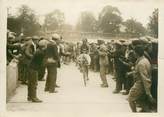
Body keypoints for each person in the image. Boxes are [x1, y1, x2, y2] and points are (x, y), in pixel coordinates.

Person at [128, 45, 154, 112]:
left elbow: (145, 78)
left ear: (136, 53)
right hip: (142, 85)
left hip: (140, 85)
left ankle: (134, 113)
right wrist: (132, 73)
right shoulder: (145, 60)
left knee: (130, 99)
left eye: (134, 52)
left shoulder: (141, 63)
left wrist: (148, 93)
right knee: (141, 101)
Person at [27, 38, 46, 102]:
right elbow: (43, 63)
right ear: (44, 46)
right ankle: (34, 97)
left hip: (31, 68)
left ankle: (29, 96)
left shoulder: (38, 50)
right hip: (34, 69)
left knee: (30, 83)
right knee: (34, 84)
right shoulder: (41, 53)